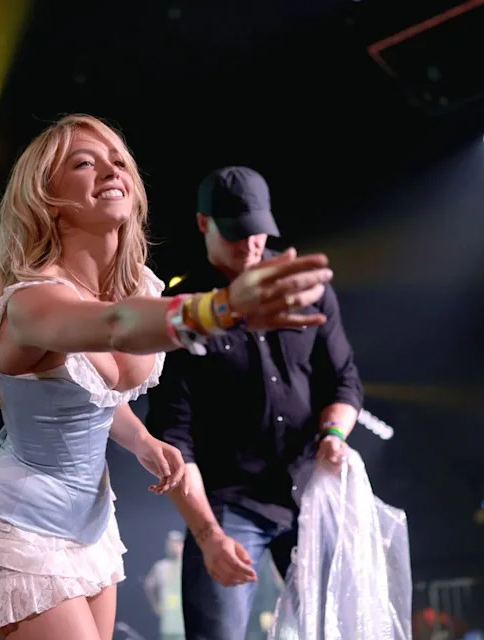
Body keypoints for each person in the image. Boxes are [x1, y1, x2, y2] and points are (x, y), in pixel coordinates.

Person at [0, 114, 333, 640]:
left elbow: (95, 392)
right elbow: (115, 328)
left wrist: (143, 439)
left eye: (119, 161)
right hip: (24, 530)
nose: (112, 170)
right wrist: (221, 308)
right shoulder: (31, 302)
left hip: (93, 524)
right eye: (85, 163)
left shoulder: (136, 288)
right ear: (47, 198)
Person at [145, 166, 362, 640]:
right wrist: (207, 536)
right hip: (229, 505)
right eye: (236, 234)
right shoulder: (182, 307)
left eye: (259, 233)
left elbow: (344, 381)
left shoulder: (306, 288)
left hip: (309, 491)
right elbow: (175, 439)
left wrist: (334, 434)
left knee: (336, 629)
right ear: (204, 224)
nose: (250, 247)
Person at [143, 530, 185, 640]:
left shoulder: (188, 566)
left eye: (178, 543)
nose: (175, 546)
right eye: (172, 543)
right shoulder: (161, 567)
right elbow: (149, 585)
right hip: (169, 623)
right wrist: (156, 606)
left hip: (187, 622)